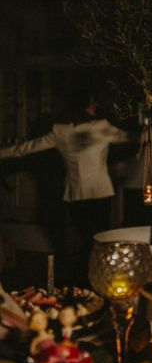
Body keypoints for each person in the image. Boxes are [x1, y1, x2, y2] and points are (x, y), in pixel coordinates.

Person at [0, 89, 132, 283]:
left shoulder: (60, 131)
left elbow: (25, 148)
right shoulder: (101, 128)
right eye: (94, 102)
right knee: (98, 241)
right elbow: (131, 138)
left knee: (85, 241)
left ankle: (81, 281)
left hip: (75, 195)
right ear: (89, 103)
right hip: (101, 194)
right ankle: (93, 282)